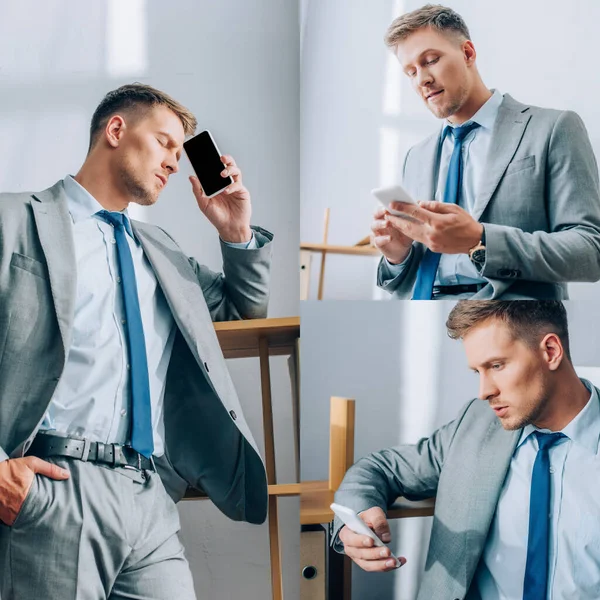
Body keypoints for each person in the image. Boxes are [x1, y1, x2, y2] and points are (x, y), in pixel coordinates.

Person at [0, 83, 273, 599]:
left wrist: (236, 233)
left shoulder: (162, 252)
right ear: (117, 130)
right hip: (54, 484)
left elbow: (243, 309)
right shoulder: (14, 220)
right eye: (167, 143)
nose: (176, 161)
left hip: (151, 496)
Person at [334, 301, 600, 599]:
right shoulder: (476, 424)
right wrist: (357, 519)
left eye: (496, 365)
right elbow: (381, 468)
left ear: (550, 351)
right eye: (478, 371)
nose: (484, 391)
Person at [371, 4, 600, 300]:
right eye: (411, 71)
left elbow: (590, 250)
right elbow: (408, 276)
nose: (421, 80)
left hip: (510, 315)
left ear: (467, 53)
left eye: (430, 60)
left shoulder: (553, 127)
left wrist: (481, 240)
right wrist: (397, 256)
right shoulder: (416, 156)